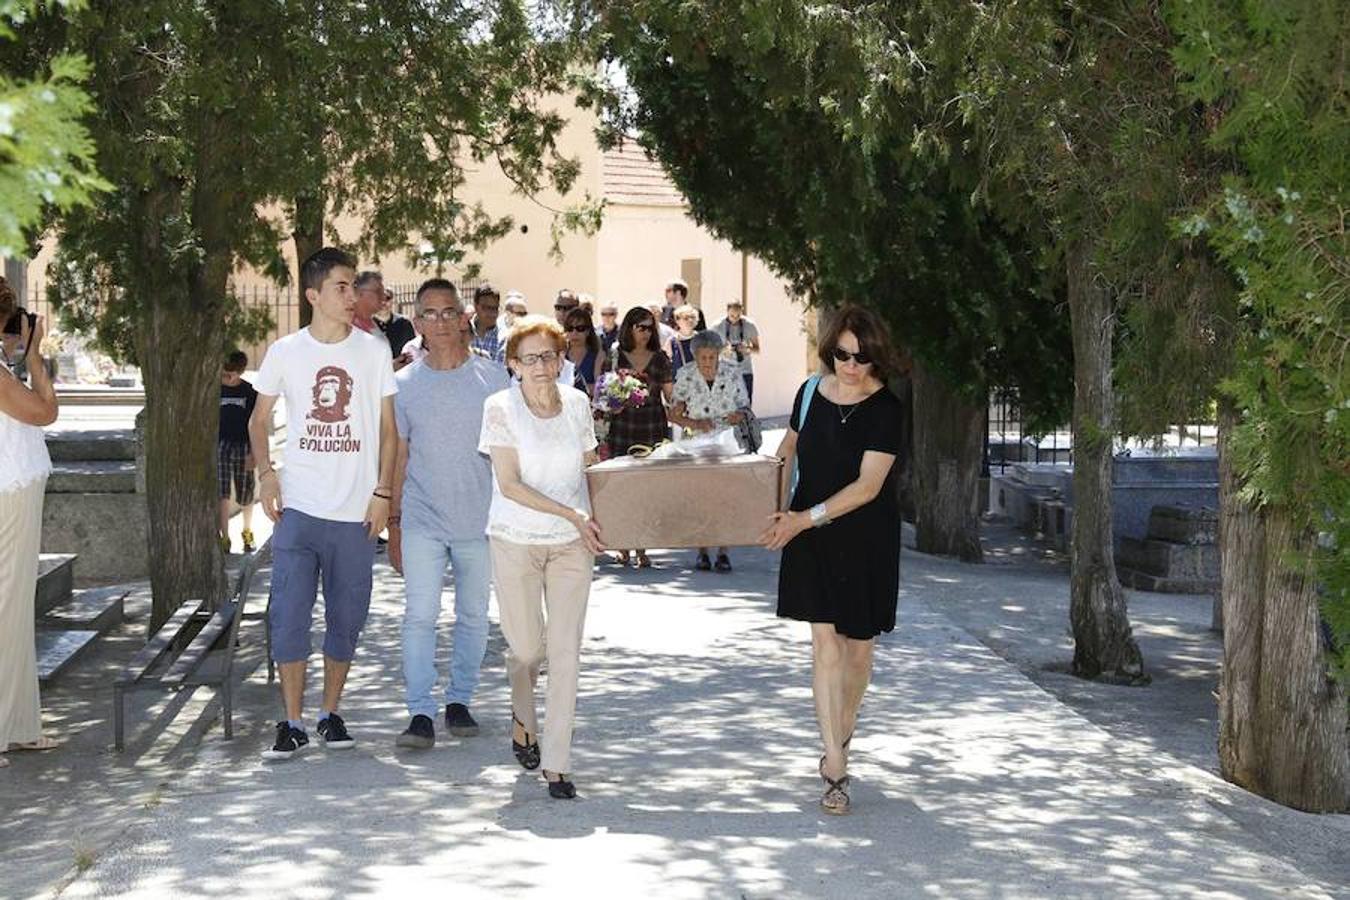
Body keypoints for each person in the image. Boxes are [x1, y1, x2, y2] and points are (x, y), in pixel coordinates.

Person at [248, 247, 399, 760]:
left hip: (356, 514)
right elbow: (258, 420)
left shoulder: (373, 350)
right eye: (341, 286)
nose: (353, 295)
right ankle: (291, 721)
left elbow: (389, 431)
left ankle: (329, 713)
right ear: (313, 295)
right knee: (288, 616)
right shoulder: (286, 351)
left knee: (346, 618)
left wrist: (383, 493)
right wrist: (267, 474)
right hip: (299, 510)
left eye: (354, 285)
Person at [761, 305, 903, 816]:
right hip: (810, 538)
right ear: (830, 352)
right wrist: (772, 507)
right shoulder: (808, 394)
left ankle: (840, 733)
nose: (851, 365)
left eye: (862, 357)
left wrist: (804, 519)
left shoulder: (887, 410)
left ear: (876, 357)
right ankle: (836, 765)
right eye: (842, 355)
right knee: (825, 645)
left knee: (858, 652)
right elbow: (788, 450)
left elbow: (867, 487)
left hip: (867, 539)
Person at [478, 315, 605, 800]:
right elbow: (509, 484)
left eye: (549, 356)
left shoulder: (577, 405)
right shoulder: (500, 408)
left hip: (572, 544)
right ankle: (522, 713)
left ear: (561, 360)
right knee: (528, 650)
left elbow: (590, 468)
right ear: (513, 364)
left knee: (566, 651)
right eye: (530, 358)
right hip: (515, 540)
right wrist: (570, 512)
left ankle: (557, 763)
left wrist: (611, 507)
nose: (541, 366)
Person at [389, 279, 509, 749]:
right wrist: (394, 524)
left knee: (474, 616)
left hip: (480, 521)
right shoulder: (403, 386)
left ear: (463, 318)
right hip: (422, 519)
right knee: (419, 616)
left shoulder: (494, 379)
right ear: (417, 323)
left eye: (447, 312)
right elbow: (398, 457)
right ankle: (420, 711)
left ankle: (460, 699)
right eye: (429, 314)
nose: (439, 322)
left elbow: (509, 453)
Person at [0, 288, 59, 769]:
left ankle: (18, 724)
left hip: (17, 494)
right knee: (5, 610)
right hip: (9, 497)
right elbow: (45, 411)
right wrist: (34, 356)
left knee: (15, 611)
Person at [669, 329, 750, 573]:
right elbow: (674, 414)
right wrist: (694, 423)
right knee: (699, 496)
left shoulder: (732, 372)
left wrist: (737, 416)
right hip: (696, 442)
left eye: (711, 357)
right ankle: (702, 551)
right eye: (702, 357)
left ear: (718, 354)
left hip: (726, 440)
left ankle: (723, 552)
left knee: (724, 496)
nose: (707, 362)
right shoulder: (685, 375)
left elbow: (744, 407)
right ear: (695, 356)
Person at [607, 307, 674, 569]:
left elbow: (670, 395)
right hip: (622, 427)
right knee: (622, 488)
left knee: (646, 490)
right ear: (629, 328)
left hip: (651, 427)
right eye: (641, 327)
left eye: (650, 328)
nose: (646, 333)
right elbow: (605, 394)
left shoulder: (660, 358)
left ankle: (642, 548)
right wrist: (615, 402)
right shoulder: (615, 355)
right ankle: (623, 545)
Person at [218, 350, 259, 554]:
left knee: (246, 493)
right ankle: (224, 537)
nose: (225, 378)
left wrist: (254, 453)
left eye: (230, 375)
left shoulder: (249, 392)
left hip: (244, 446)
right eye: (223, 374)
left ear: (240, 373)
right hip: (221, 446)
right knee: (221, 493)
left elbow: (256, 424)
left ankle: (247, 531)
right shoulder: (216, 390)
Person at [711, 300, 761, 402]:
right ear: (727, 311)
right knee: (725, 404)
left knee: (745, 404)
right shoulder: (717, 326)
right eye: (732, 316)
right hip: (724, 371)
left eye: (738, 316)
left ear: (742, 312)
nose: (735, 319)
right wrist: (723, 350)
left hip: (744, 370)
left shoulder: (749, 325)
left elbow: (757, 349)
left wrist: (746, 349)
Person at [563, 306, 604, 395]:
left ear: (588, 331)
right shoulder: (560, 354)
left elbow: (599, 388)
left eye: (580, 328)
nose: (574, 333)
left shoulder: (597, 354)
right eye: (570, 328)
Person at [469, 283, 506, 363]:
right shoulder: (461, 333)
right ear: (476, 306)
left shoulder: (503, 339)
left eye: (495, 308)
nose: (492, 313)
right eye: (487, 308)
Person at [667, 304, 700, 378]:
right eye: (686, 318)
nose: (690, 320)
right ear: (677, 321)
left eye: (693, 317)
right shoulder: (671, 341)